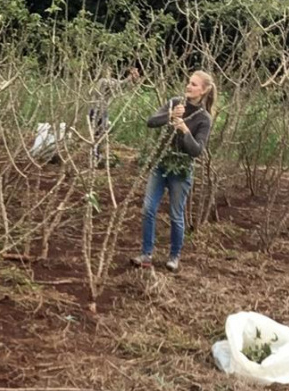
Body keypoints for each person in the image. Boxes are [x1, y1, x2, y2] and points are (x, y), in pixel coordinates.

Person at [132, 70, 216, 272]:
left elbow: (196, 150)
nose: (189, 86)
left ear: (204, 91)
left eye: (194, 84)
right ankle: (146, 254)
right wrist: (170, 115)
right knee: (148, 208)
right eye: (189, 82)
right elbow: (151, 121)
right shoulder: (175, 103)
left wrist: (184, 130)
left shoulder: (204, 118)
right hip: (161, 164)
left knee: (176, 215)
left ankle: (174, 256)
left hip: (181, 171)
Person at [88, 67, 140, 160]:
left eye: (109, 70)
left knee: (102, 133)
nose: (108, 72)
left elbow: (122, 86)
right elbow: (118, 85)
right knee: (97, 133)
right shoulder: (102, 81)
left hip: (103, 110)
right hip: (96, 110)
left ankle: (97, 154)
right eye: (106, 70)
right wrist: (129, 77)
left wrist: (132, 78)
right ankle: (94, 155)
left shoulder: (110, 81)